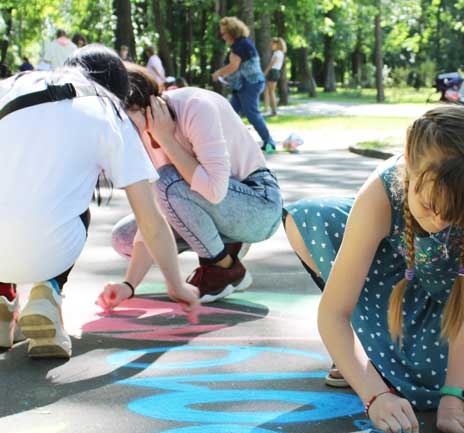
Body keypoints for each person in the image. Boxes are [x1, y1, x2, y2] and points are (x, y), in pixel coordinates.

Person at [284, 106, 464, 433]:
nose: (440, 222)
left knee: (433, 375)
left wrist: (453, 403)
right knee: (308, 218)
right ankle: (369, 357)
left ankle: (377, 357)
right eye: (429, 205)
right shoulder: (382, 191)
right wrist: (375, 394)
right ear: (410, 164)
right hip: (420, 275)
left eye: (456, 213)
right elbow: (334, 312)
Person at [0, 44, 200, 357]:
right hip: (46, 254)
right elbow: (150, 222)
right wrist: (176, 284)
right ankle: (46, 294)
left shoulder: (13, 84)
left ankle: (3, 306)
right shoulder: (109, 112)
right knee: (71, 205)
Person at [106, 63, 282, 306]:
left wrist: (166, 139)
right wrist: (129, 285)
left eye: (123, 120)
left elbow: (214, 191)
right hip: (215, 206)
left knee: (168, 182)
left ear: (144, 106)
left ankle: (222, 268)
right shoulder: (140, 133)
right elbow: (153, 215)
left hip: (259, 206)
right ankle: (228, 246)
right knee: (124, 238)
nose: (120, 130)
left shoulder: (195, 107)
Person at [212, 17, 275, 153]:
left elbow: (233, 66)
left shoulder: (240, 45)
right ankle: (228, 145)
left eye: (224, 33)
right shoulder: (241, 44)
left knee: (251, 113)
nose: (222, 36)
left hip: (249, 84)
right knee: (230, 114)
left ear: (232, 32)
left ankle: (269, 141)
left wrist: (218, 73)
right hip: (243, 85)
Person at [263, 37, 286, 116]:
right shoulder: (280, 53)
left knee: (271, 92)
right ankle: (267, 108)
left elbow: (272, 64)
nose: (271, 45)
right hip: (275, 72)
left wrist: (265, 72)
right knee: (268, 90)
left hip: (273, 72)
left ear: (277, 44)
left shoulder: (277, 53)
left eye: (272, 44)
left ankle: (274, 110)